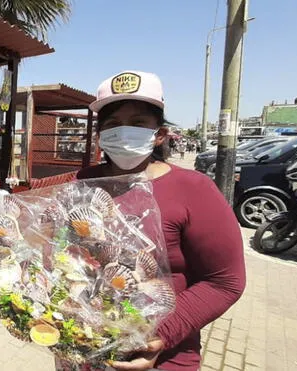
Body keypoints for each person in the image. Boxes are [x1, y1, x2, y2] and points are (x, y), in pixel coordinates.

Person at [72, 71, 246, 371]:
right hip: (84, 348)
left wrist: (158, 335)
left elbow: (225, 282)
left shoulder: (195, 189)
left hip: (162, 358)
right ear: (100, 136)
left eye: (138, 123)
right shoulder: (85, 181)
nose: (124, 132)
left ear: (159, 134)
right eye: (113, 124)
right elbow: (69, 250)